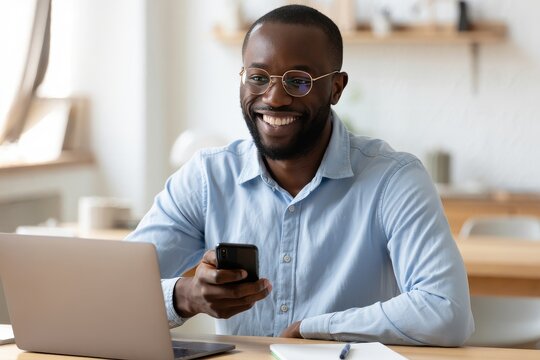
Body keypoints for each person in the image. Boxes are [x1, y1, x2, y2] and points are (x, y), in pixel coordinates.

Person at [127, 4, 474, 346]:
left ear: (336, 88)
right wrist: (185, 296)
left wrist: (316, 329)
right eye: (258, 77)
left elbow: (446, 311)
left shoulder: (394, 179)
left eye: (299, 81)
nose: (274, 98)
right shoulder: (207, 177)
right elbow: (114, 290)